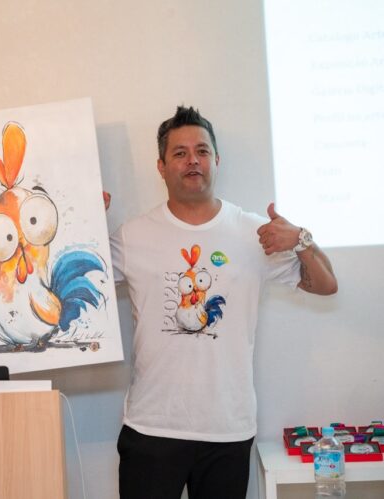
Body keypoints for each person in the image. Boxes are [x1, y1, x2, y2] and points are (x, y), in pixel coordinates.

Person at [110, 106, 337, 499]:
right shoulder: (132, 236)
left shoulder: (254, 232)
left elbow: (326, 285)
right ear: (161, 167)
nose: (192, 160)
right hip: (151, 428)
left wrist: (301, 240)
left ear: (216, 160)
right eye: (179, 153)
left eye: (201, 150)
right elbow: (71, 284)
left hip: (227, 430)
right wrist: (79, 224)